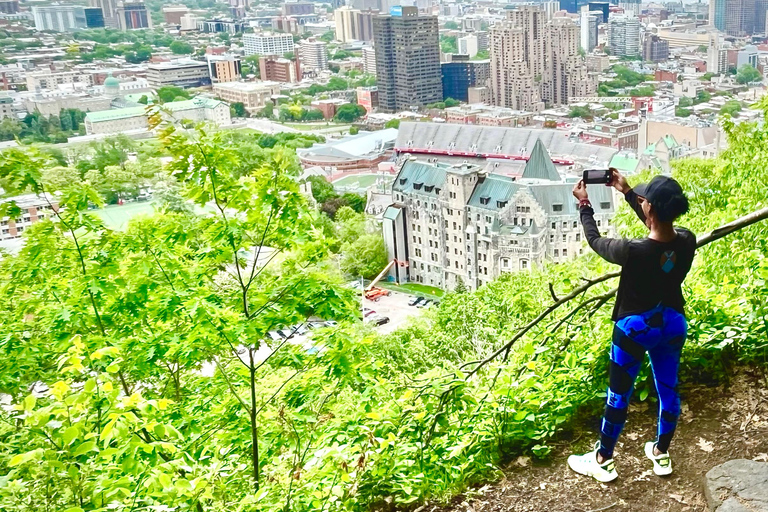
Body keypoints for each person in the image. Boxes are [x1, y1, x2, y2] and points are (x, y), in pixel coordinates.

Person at [567, 169, 695, 483]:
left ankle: (603, 459)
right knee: (668, 389)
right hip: (673, 323)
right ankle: (661, 452)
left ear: (649, 208)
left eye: (643, 200)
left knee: (618, 396)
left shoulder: (632, 251)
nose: (641, 200)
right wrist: (625, 192)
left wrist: (585, 205)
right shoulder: (686, 240)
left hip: (636, 329)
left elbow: (596, 241)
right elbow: (660, 232)